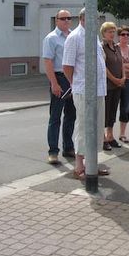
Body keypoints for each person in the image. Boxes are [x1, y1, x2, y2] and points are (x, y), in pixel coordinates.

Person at [62, 8, 109, 180]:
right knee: (83, 127)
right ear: (82, 18)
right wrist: (76, 84)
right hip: (83, 91)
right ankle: (79, 166)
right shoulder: (74, 37)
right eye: (93, 18)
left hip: (98, 90)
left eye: (97, 18)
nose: (96, 21)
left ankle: (92, 165)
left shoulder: (93, 37)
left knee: (96, 127)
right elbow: (67, 66)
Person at [42, 9, 76, 164]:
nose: (67, 21)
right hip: (59, 78)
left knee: (71, 115)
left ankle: (68, 147)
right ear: (56, 20)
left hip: (73, 79)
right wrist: (54, 83)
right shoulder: (51, 38)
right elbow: (48, 62)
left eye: (69, 18)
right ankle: (53, 151)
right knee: (55, 117)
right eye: (63, 18)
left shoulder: (72, 36)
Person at [101, 22, 125, 150]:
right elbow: (103, 67)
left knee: (113, 111)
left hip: (118, 85)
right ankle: (103, 138)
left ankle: (110, 136)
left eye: (113, 32)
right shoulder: (101, 47)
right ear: (103, 33)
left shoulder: (117, 47)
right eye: (109, 32)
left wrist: (123, 77)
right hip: (107, 85)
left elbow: (121, 63)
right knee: (105, 111)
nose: (111, 34)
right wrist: (114, 79)